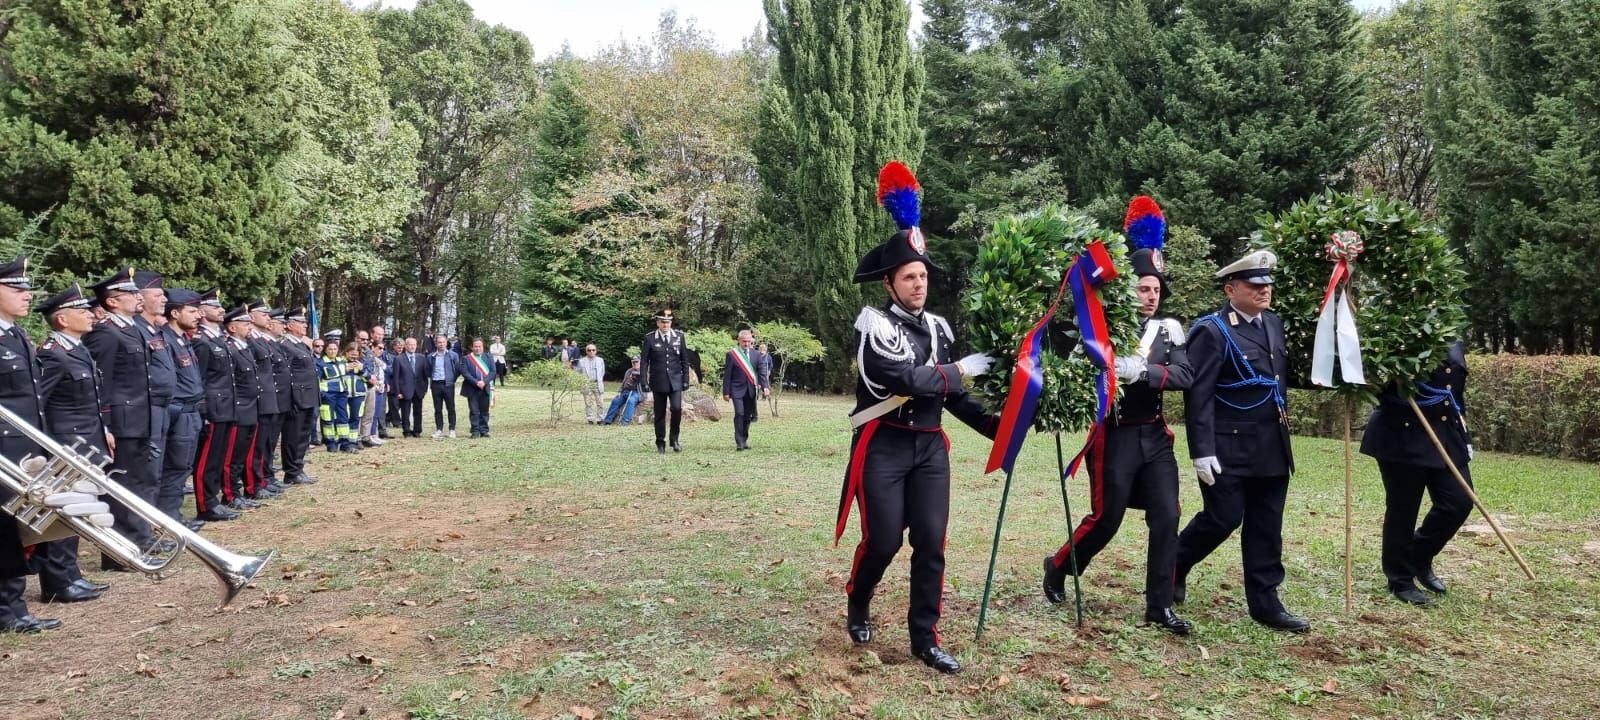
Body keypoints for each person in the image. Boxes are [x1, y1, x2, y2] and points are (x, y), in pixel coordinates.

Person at [834, 162, 999, 674]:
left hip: (929, 447)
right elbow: (904, 380)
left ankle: (924, 637)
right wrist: (960, 369)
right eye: (909, 276)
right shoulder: (874, 325)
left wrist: (1002, 426)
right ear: (890, 281)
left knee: (931, 540)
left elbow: (950, 397)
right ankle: (859, 599)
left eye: (923, 275)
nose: (918, 283)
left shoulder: (940, 328)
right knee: (883, 539)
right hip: (883, 443)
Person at [1042, 197, 1193, 635]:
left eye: (1156, 289)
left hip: (1155, 435)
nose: (1151, 296)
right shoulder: (1104, 325)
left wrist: (1143, 369)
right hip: (1116, 433)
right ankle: (1058, 565)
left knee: (1167, 514)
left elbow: (1184, 374)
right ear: (1129, 289)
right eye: (1144, 288)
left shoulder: (1170, 329)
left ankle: (1159, 605)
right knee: (1106, 519)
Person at [1175, 249, 1309, 633]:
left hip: (1271, 443)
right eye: (1254, 285)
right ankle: (1174, 565)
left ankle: (1267, 603)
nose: (1264, 291)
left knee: (1267, 525)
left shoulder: (1274, 323)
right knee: (1222, 519)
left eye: (1267, 285)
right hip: (1229, 445)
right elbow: (1198, 394)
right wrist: (1201, 451)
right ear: (1230, 288)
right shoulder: (1213, 330)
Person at [1360, 342, 1474, 606]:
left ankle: (1418, 558)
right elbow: (1371, 384)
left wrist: (1465, 435)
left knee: (1458, 503)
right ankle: (1400, 578)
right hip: (1402, 432)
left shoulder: (1451, 328)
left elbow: (1455, 391)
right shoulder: (1392, 331)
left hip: (1445, 434)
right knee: (1404, 509)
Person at [0, 257, 69, 631]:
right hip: (3, 448)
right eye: (16, 288)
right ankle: (8, 611)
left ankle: (11, 607)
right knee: (4, 531)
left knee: (14, 530)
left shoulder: (14, 334)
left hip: (22, 446)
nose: (27, 295)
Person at [32, 282, 112, 605]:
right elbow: (40, 404)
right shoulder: (53, 355)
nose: (92, 314)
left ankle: (71, 573)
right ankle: (57, 582)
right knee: (64, 512)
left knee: (79, 509)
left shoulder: (77, 349)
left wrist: (103, 427)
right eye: (82, 311)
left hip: (86, 439)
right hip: (64, 442)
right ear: (62, 319)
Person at [84, 267, 159, 570]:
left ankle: (139, 540)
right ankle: (118, 552)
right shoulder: (105, 333)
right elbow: (100, 383)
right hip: (122, 422)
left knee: (138, 482)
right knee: (121, 486)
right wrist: (105, 425)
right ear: (112, 301)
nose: (137, 297)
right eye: (129, 293)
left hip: (139, 418)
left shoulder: (130, 328)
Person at [132, 271, 180, 530]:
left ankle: (149, 528)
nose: (164, 298)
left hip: (161, 407)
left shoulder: (153, 330)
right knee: (144, 474)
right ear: (140, 298)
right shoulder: (135, 329)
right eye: (158, 294)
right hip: (144, 410)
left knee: (155, 472)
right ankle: (141, 532)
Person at [190, 289, 242, 521]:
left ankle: (214, 498)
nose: (221, 310)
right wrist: (203, 410)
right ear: (201, 312)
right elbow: (199, 379)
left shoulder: (217, 339)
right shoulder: (201, 342)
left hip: (226, 406)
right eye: (215, 306)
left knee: (218, 457)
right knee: (207, 460)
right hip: (213, 408)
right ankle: (205, 504)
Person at [157, 288, 206, 530]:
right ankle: (168, 519)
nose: (199, 315)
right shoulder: (164, 339)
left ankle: (174, 514)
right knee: (173, 467)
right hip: (178, 412)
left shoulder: (181, 339)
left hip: (191, 411)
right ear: (175, 313)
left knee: (183, 466)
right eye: (192, 310)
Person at [221, 305, 263, 511]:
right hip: (238, 409)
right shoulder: (230, 349)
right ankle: (229, 494)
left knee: (241, 455)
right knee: (231, 456)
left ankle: (238, 492)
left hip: (250, 408)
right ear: (232, 328)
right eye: (245, 324)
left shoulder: (244, 347)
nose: (249, 327)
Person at [279, 307, 320, 485]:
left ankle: (298, 467)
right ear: (289, 325)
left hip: (308, 397)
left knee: (303, 435)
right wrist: (292, 398)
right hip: (297, 398)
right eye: (301, 322)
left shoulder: (301, 344)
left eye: (304, 322)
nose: (305, 325)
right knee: (293, 436)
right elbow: (286, 376)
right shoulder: (285, 346)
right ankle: (291, 471)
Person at [639, 309, 688, 454]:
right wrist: (644, 381)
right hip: (658, 381)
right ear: (658, 322)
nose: (666, 324)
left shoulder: (679, 336)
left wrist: (686, 379)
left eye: (668, 322)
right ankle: (660, 441)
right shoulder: (650, 338)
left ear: (671, 322)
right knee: (659, 413)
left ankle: (675, 439)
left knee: (677, 409)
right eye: (663, 322)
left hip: (676, 381)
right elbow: (644, 362)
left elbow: (684, 359)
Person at [722, 329, 770, 450]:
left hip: (751, 390)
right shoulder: (732, 355)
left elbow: (762, 373)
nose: (747, 344)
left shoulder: (757, 355)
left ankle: (744, 439)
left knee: (747, 416)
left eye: (749, 341)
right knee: (739, 413)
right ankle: (739, 442)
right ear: (739, 341)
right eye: (744, 342)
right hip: (736, 390)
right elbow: (727, 375)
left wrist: (765, 387)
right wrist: (726, 392)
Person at [317, 331, 349, 452]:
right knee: (328, 419)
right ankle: (331, 443)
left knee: (343, 419)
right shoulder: (320, 363)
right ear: (325, 350)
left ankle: (345, 443)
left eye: (335, 349)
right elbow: (317, 381)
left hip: (342, 394)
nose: (333, 351)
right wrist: (323, 394)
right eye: (330, 349)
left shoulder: (341, 361)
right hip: (328, 395)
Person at [460, 337, 496, 438]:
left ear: (483, 347)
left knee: (484, 411)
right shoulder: (466, 358)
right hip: (472, 388)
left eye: (479, 346)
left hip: (485, 388)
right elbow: (465, 372)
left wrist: (484, 382)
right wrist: (476, 382)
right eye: (475, 346)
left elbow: (493, 372)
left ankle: (484, 430)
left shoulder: (488, 357)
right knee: (474, 411)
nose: (477, 348)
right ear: (472, 347)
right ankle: (475, 431)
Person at [393, 337, 429, 438]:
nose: (412, 346)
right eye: (410, 344)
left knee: (418, 411)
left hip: (418, 390)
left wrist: (425, 389)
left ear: (416, 346)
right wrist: (398, 392)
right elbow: (395, 377)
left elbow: (425, 375)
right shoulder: (399, 359)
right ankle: (407, 431)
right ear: (405, 346)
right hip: (405, 390)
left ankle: (417, 431)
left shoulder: (421, 358)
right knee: (405, 412)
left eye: (414, 344)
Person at [428, 334, 460, 438]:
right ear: (436, 344)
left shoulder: (453, 355)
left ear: (446, 343)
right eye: (439, 342)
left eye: (443, 342)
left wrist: (452, 379)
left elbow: (457, 369)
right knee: (438, 408)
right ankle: (439, 429)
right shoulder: (431, 356)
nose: (441, 344)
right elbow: (428, 370)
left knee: (450, 407)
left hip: (448, 384)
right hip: (436, 384)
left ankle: (452, 429)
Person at [360, 326, 387, 446]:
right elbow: (358, 367)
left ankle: (368, 437)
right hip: (360, 385)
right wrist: (369, 377)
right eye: (362, 339)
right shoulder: (355, 351)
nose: (364, 342)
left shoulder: (369, 353)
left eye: (366, 340)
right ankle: (358, 438)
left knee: (370, 414)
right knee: (359, 414)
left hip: (372, 386)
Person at [342, 341, 370, 452]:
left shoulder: (362, 363)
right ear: (346, 352)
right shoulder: (340, 362)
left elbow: (369, 377)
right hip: (343, 394)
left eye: (356, 353)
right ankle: (343, 441)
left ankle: (353, 441)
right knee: (343, 419)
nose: (354, 356)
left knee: (355, 418)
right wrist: (345, 368)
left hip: (358, 395)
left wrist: (361, 369)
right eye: (351, 353)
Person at [603, 357, 643, 425]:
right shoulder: (629, 371)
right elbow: (623, 382)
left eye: (636, 362)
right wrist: (619, 391)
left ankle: (625, 422)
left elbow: (646, 384)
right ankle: (608, 420)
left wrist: (638, 379)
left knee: (631, 400)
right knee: (616, 400)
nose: (635, 363)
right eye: (633, 362)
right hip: (626, 391)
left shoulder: (644, 371)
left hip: (637, 392)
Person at [576, 343, 605, 424]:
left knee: (600, 403)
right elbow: (578, 373)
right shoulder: (581, 361)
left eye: (593, 350)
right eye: (589, 350)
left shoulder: (600, 360)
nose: (591, 351)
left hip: (597, 384)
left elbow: (602, 372)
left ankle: (600, 419)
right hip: (586, 384)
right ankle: (590, 419)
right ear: (586, 351)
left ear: (596, 351)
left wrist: (598, 380)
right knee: (588, 403)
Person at [385, 338, 404, 433]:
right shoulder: (388, 356)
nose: (400, 349)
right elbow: (388, 370)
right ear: (394, 347)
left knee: (399, 404)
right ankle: (397, 422)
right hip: (392, 383)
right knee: (394, 404)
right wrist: (387, 383)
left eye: (402, 347)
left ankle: (386, 418)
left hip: (402, 384)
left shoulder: (404, 356)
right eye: (398, 347)